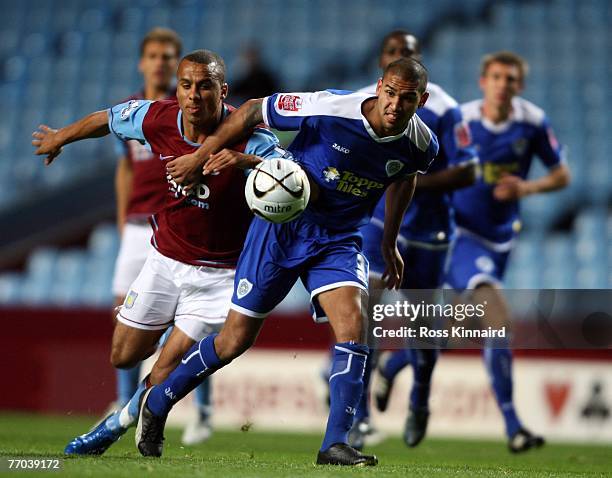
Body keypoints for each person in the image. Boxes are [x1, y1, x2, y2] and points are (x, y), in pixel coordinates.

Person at [134, 57, 439, 466]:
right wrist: (200, 156)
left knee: (355, 325)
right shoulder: (331, 107)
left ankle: (335, 442)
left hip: (338, 239)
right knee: (234, 340)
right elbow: (251, 111)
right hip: (283, 227)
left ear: (422, 100)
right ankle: (159, 401)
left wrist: (389, 241)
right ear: (379, 85)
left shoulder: (422, 144)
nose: (395, 105)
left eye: (406, 99)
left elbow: (405, 175)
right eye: (390, 93)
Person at [32, 49, 283, 455]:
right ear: (177, 89)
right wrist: (61, 136)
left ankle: (110, 428)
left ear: (223, 90)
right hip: (165, 262)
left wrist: (239, 162)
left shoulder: (253, 136)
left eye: (205, 86)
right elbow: (107, 119)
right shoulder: (157, 118)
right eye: (186, 85)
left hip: (219, 276)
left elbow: (291, 176)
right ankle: (165, 334)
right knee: (123, 356)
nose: (194, 95)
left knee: (166, 367)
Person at [347, 29, 479, 450]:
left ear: (421, 61)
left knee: (422, 327)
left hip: (429, 232)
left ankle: (419, 398)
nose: (400, 56)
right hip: (377, 226)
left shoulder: (445, 108)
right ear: (381, 64)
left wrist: (410, 181)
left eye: (408, 52)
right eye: (392, 53)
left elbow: (469, 170)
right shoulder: (362, 104)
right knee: (362, 315)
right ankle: (359, 417)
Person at [443, 51, 570, 452]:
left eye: (510, 79)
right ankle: (514, 426)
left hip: (501, 239)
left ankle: (396, 365)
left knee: (461, 331)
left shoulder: (532, 122)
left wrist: (527, 188)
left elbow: (561, 174)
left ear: (520, 86)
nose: (503, 84)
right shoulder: (460, 120)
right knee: (498, 320)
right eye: (496, 77)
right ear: (483, 82)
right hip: (459, 235)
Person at [107, 27, 212, 447]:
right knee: (124, 316)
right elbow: (125, 168)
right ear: (142, 62)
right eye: (153, 55)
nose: (161, 62)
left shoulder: (187, 109)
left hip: (180, 222)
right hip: (137, 224)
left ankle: (200, 411)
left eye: (168, 56)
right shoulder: (136, 113)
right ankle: (124, 403)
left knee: (190, 324)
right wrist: (120, 220)